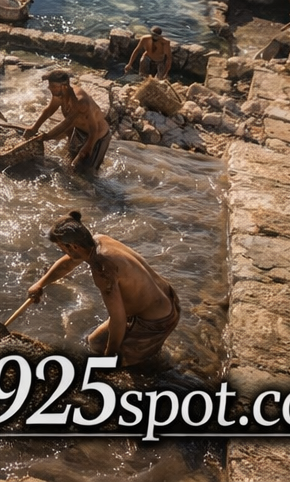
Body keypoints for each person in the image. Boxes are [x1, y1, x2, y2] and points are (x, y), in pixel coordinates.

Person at [26, 210, 181, 367]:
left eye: (61, 247)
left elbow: (118, 319)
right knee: (95, 342)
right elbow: (68, 263)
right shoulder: (98, 240)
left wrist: (111, 356)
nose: (61, 251)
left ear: (73, 246)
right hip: (169, 299)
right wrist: (40, 284)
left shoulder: (102, 269)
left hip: (157, 322)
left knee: (122, 362)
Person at [25, 69, 112, 174]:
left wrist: (88, 146)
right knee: (69, 162)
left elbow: (88, 128)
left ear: (65, 86)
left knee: (87, 172)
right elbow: (49, 110)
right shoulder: (59, 94)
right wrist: (34, 127)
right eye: (50, 86)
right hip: (79, 129)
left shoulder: (80, 102)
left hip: (98, 136)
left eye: (53, 86)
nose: (50, 89)